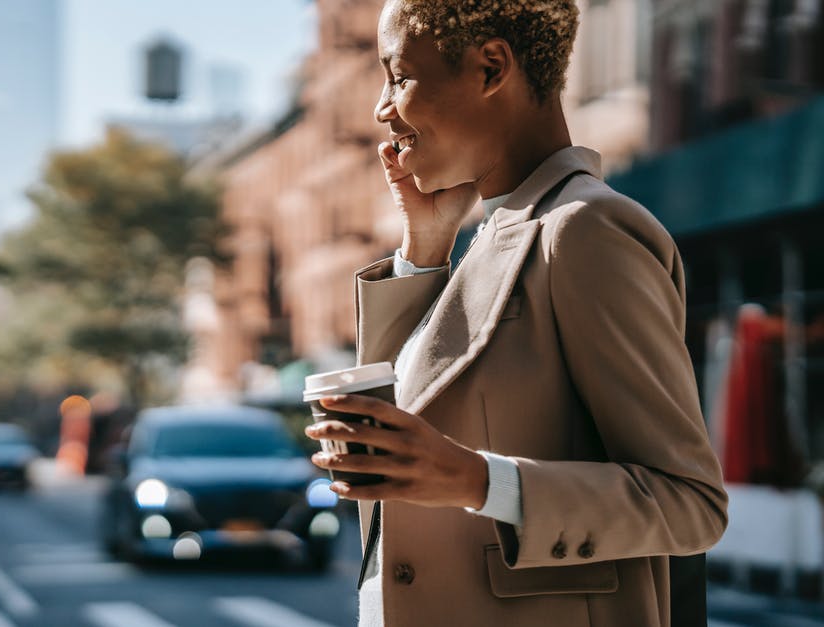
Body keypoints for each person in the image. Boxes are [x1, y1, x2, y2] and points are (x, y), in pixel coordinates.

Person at [303, 1, 729, 625]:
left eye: (398, 76)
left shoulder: (585, 230)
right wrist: (424, 251)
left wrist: (478, 480)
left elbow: (690, 503)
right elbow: (412, 422)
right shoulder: (492, 237)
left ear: (491, 67)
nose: (381, 108)